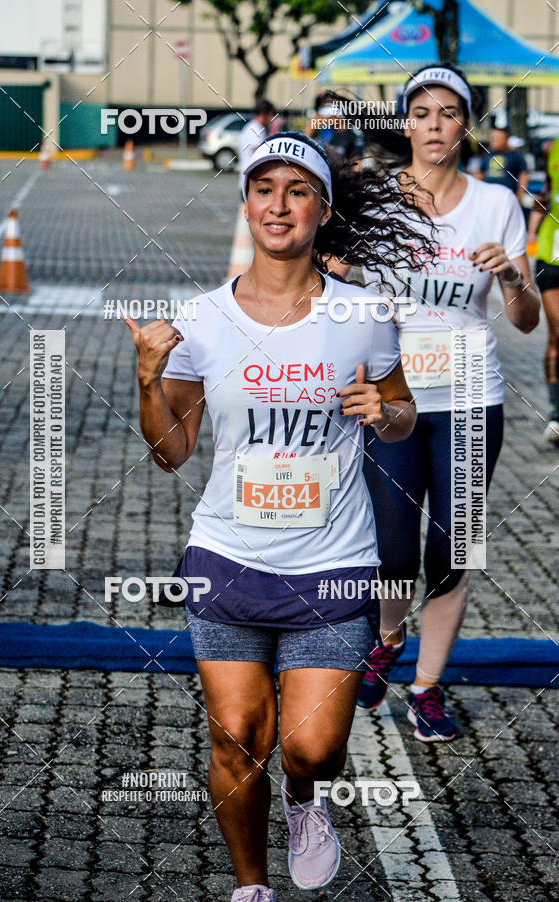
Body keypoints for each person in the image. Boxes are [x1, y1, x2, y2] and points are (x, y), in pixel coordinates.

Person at [125, 131, 436, 900]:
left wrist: (383, 412)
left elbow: (401, 415)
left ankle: (305, 800)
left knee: (314, 748)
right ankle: (251, 885)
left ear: (323, 210)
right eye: (265, 188)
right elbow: (173, 452)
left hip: (332, 563)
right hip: (228, 555)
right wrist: (146, 381)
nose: (280, 205)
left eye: (299, 191)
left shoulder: (363, 314)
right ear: (247, 202)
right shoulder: (202, 319)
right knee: (236, 736)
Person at [335, 63, 540, 741]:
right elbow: (342, 288)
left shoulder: (496, 205)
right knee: (392, 551)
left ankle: (427, 686)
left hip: (472, 400)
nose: (434, 126)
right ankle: (389, 638)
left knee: (452, 551)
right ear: (405, 122)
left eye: (448, 113)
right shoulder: (376, 200)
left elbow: (527, 320)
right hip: (393, 400)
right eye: (421, 113)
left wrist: (512, 275)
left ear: (466, 125)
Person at [527, 137, 559, 444]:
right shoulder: (552, 147)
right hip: (553, 254)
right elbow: (546, 193)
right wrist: (531, 234)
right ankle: (556, 414)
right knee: (558, 331)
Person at [476, 124, 529, 205]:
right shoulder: (488, 155)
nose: (493, 141)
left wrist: (519, 196)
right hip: (488, 198)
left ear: (506, 139)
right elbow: (480, 174)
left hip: (507, 200)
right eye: (493, 138)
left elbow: (524, 176)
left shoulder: (516, 156)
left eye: (497, 139)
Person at [239, 100, 277, 198]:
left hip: (251, 180)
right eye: (272, 114)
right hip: (251, 181)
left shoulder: (256, 127)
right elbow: (259, 149)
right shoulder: (255, 129)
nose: (273, 118)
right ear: (264, 114)